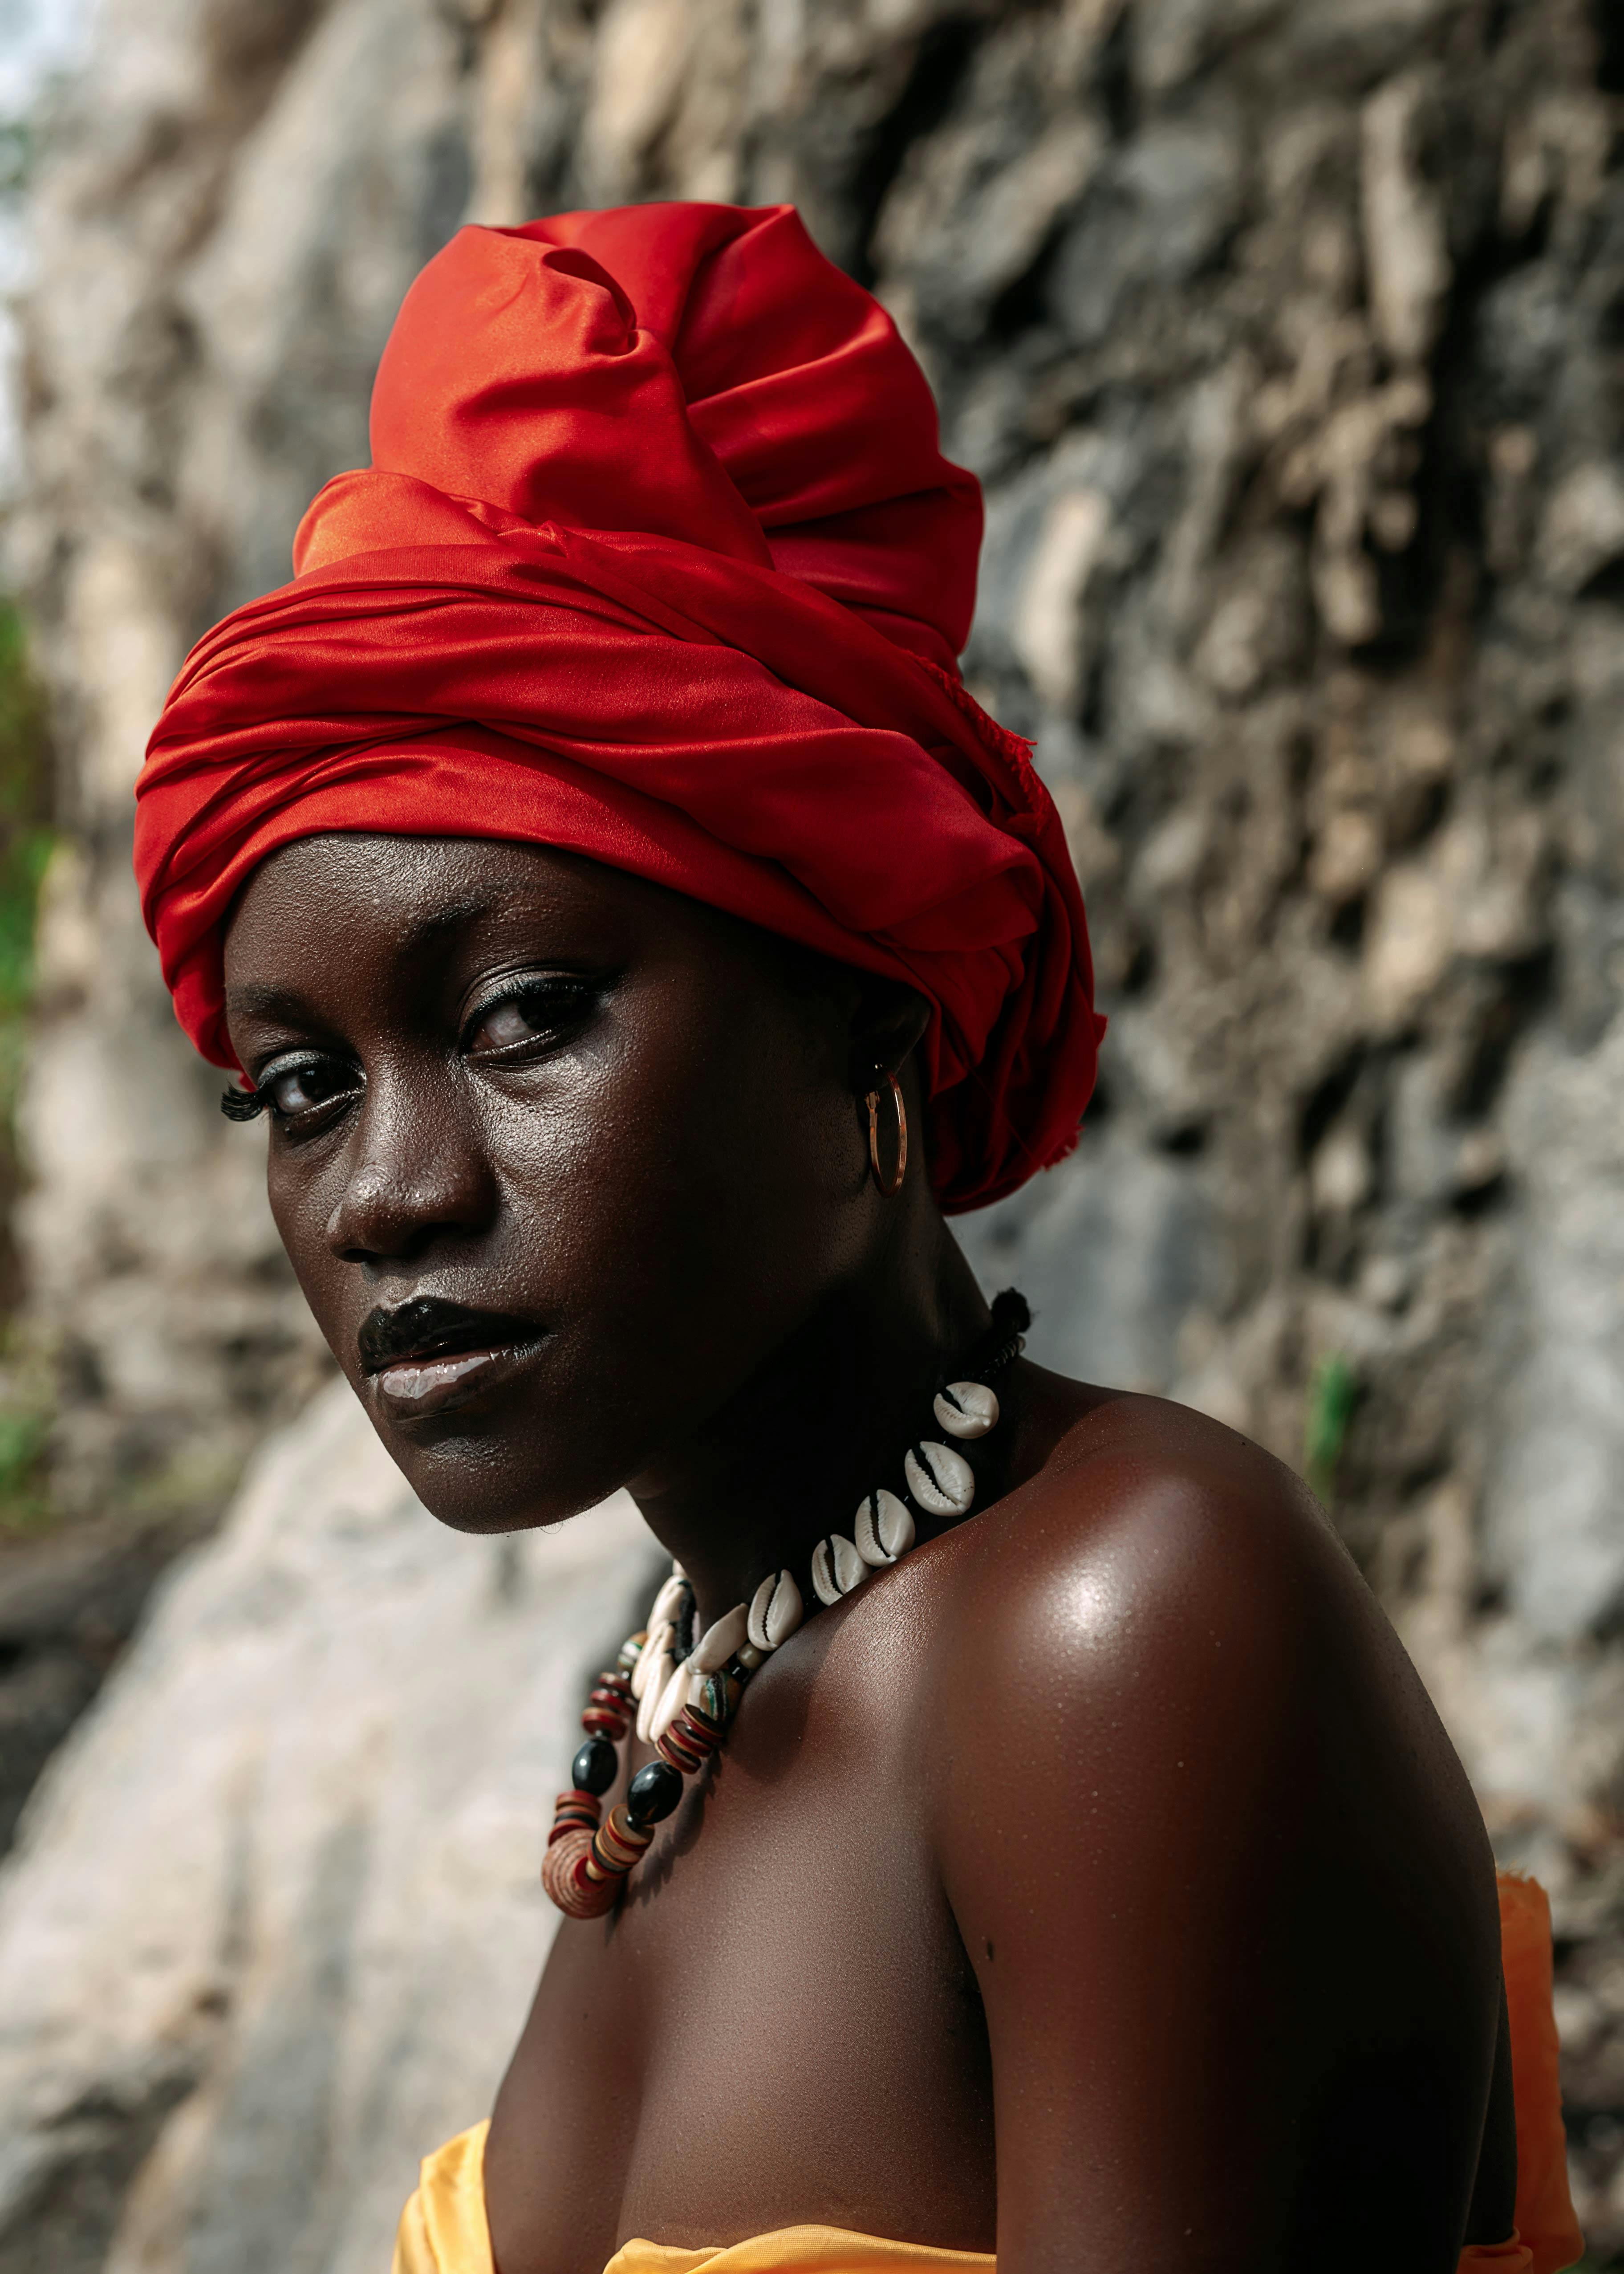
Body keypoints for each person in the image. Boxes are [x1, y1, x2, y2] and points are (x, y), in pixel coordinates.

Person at [136, 203, 1580, 2274]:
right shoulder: (694, 1690)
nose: (386, 1191)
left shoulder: (1118, 1623)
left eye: (526, 1014)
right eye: (303, 1088)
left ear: (867, 1029)